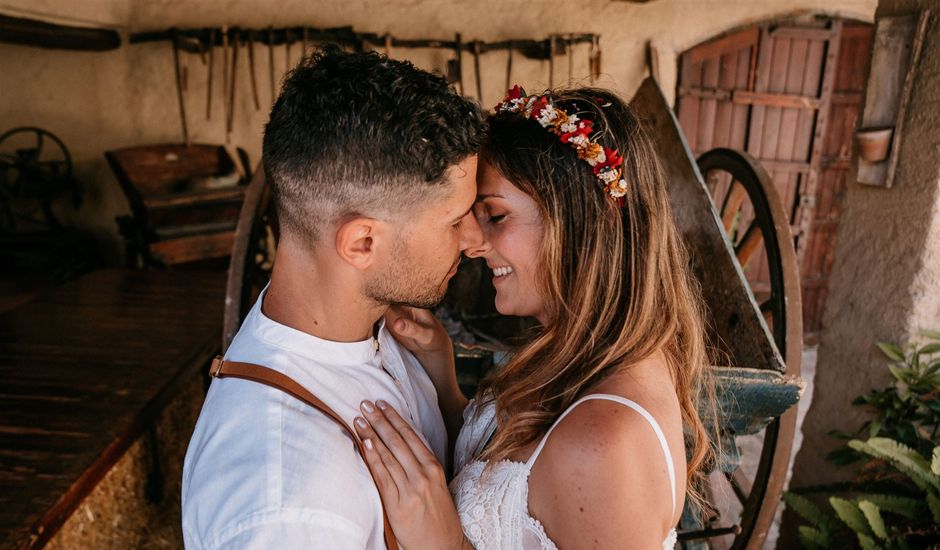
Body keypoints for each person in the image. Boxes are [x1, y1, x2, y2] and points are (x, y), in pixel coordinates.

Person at [352, 86, 716, 549]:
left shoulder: (606, 444)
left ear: (588, 220)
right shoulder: (584, 355)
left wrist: (445, 544)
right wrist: (443, 377)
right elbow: (527, 475)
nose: (470, 243)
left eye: (495, 216)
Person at [181, 47, 486, 549]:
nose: (474, 240)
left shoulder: (376, 325)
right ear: (362, 243)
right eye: (455, 221)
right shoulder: (288, 504)